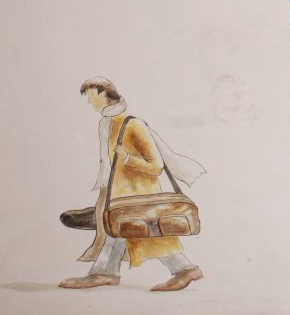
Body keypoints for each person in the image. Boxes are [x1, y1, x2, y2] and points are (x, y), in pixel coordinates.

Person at [59, 77, 207, 291]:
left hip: (139, 196)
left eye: (92, 95)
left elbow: (156, 165)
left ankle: (184, 270)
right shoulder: (107, 123)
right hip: (119, 195)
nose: (89, 101)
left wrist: (128, 158)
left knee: (149, 235)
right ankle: (105, 273)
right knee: (116, 232)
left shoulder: (132, 124)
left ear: (105, 94)